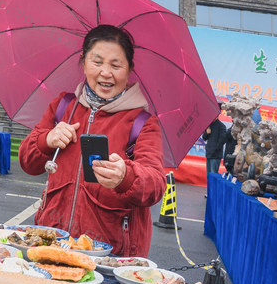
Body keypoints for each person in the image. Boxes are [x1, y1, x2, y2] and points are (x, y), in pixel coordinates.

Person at [18, 24, 166, 256]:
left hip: (109, 254)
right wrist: (47, 140)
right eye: (97, 62)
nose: (105, 73)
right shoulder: (63, 106)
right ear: (83, 62)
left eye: (116, 65)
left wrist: (125, 176)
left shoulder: (142, 122)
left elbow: (155, 186)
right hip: (50, 242)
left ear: (129, 70)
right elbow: (28, 163)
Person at [202, 104, 229, 178]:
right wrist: (207, 133)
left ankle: (213, 189)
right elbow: (204, 137)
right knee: (208, 174)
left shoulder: (221, 126)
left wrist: (215, 149)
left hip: (216, 155)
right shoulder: (209, 125)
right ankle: (209, 189)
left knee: (214, 174)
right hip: (209, 153)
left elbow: (222, 140)